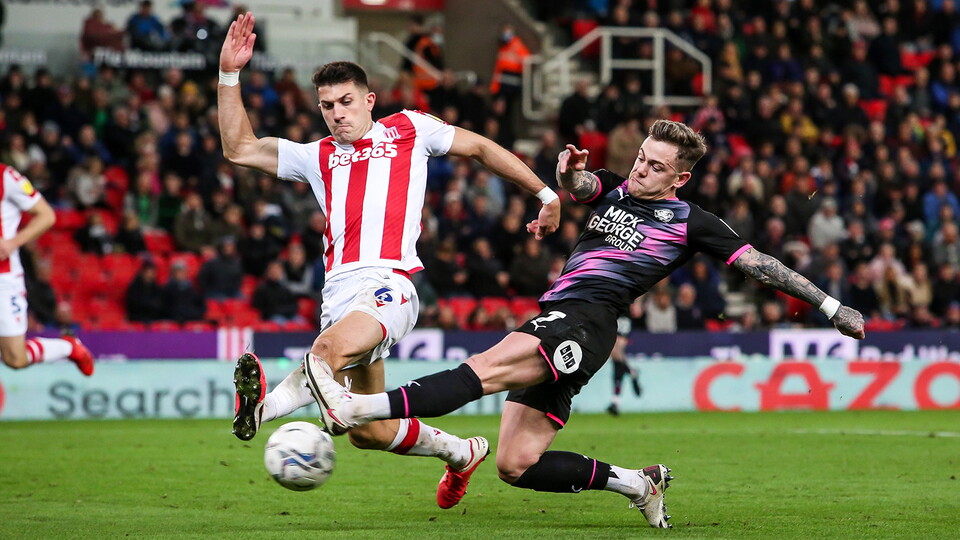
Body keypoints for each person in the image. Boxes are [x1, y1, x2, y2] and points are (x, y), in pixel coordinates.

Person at [304, 120, 866, 528]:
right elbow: (583, 188)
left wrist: (830, 307)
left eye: (656, 166)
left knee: (482, 369)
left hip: (585, 320)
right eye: (641, 157)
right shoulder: (618, 187)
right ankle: (638, 484)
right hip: (568, 320)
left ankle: (352, 407)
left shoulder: (692, 222)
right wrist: (566, 175)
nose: (641, 169)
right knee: (515, 464)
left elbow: (762, 266)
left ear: (682, 178)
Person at [218, 12, 560, 509]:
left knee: (325, 354)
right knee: (369, 432)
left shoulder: (409, 130)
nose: (337, 114)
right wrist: (230, 75)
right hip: (338, 294)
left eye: (346, 102)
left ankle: (265, 410)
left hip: (388, 285)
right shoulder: (314, 156)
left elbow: (482, 148)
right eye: (327, 106)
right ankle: (462, 452)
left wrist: (545, 193)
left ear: (369, 100)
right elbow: (239, 147)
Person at [0, 164, 94, 376]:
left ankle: (68, 347)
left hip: (3, 279)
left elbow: (46, 215)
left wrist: (12, 243)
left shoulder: (6, 177)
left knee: (15, 358)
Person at [606, 315, 641, 416]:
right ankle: (631, 372)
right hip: (615, 315)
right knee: (617, 365)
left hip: (619, 318)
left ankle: (615, 402)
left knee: (616, 359)